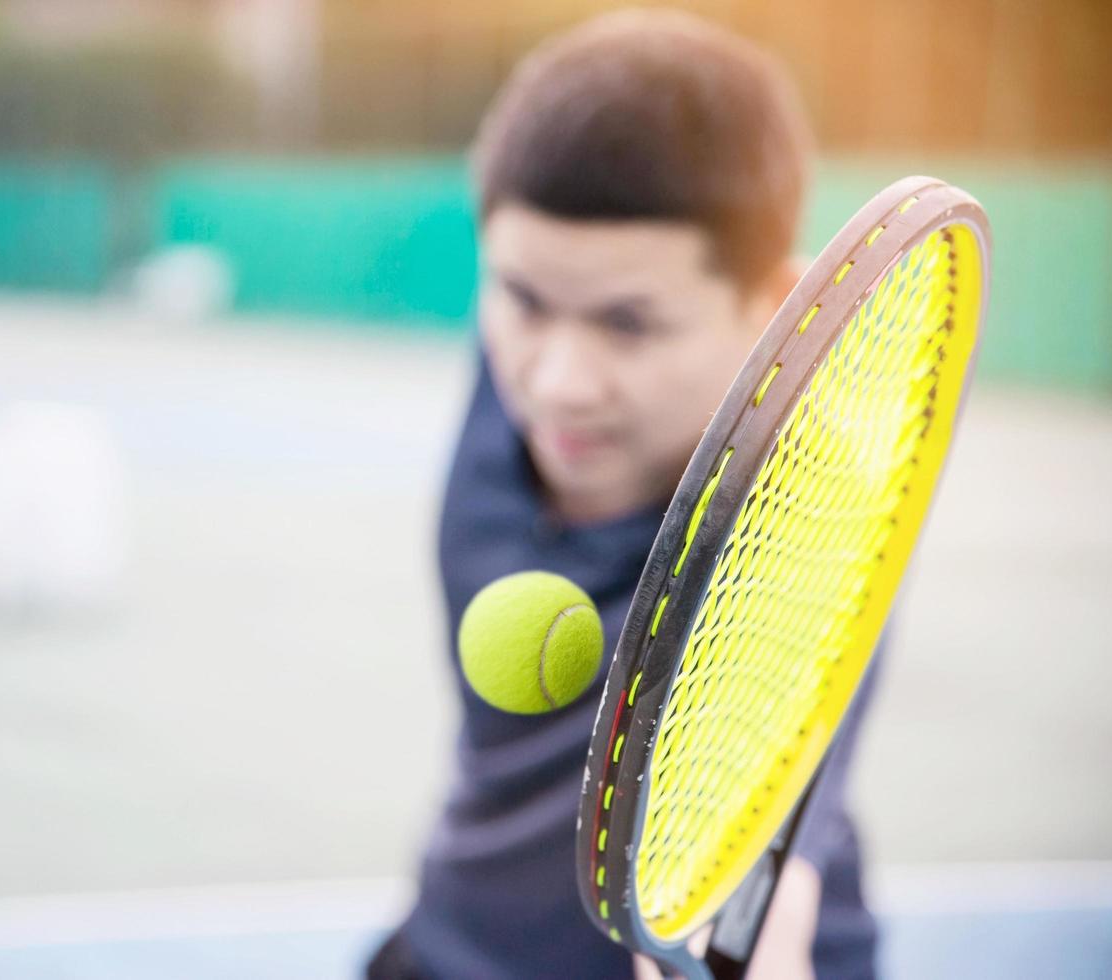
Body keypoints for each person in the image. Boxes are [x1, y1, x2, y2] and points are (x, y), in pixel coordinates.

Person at [367, 9, 880, 980]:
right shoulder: (526, 364)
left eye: (628, 323)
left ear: (771, 307)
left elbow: (761, 892)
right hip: (453, 942)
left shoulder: (802, 544)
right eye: (520, 300)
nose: (557, 380)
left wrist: (749, 945)